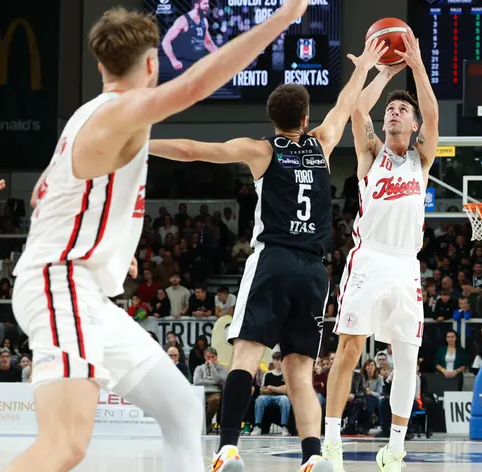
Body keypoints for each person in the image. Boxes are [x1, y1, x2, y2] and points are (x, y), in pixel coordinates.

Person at [6, 4, 310, 471]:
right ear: (152, 64)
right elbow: (194, 85)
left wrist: (110, 251)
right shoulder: (120, 111)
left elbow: (44, 199)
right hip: (60, 285)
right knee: (65, 444)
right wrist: (284, 16)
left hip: (83, 289)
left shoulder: (86, 117)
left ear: (100, 62)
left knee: (182, 408)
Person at [149, 38, 389, 472]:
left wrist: (139, 143)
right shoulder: (323, 141)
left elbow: (192, 151)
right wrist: (367, 66)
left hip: (273, 260)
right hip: (315, 272)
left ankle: (227, 448)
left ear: (273, 119)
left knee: (246, 355)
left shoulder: (261, 151)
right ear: (305, 117)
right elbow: (346, 101)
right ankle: (314, 456)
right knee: (299, 369)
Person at [323, 31, 440, 472]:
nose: (394, 112)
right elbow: (356, 109)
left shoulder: (420, 158)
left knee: (407, 356)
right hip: (369, 258)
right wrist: (378, 71)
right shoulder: (372, 152)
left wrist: (415, 66)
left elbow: (432, 111)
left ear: (412, 127)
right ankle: (331, 441)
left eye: (401, 110)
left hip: (406, 266)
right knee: (350, 348)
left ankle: (394, 448)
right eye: (391, 108)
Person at [161, 0, 218, 71]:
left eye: (208, 3)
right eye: (205, 4)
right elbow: (165, 41)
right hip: (184, 65)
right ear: (196, 5)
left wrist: (221, 55)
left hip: (198, 64)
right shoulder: (183, 20)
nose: (208, 6)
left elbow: (208, 43)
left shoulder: (204, 21)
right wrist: (173, 60)